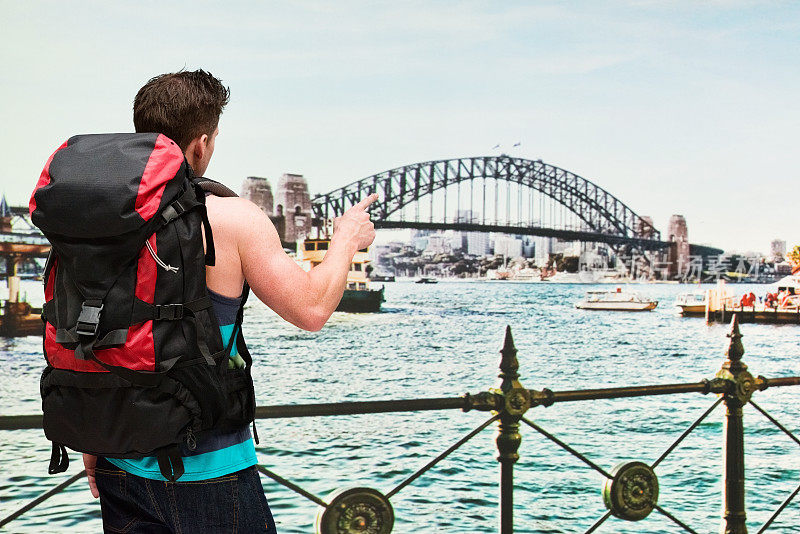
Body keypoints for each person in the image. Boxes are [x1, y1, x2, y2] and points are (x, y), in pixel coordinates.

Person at [82, 70, 377, 533]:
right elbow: (313, 309)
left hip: (118, 458)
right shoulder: (233, 218)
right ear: (201, 144)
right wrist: (345, 239)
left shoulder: (101, 219)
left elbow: (90, 325)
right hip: (210, 473)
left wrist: (94, 430)